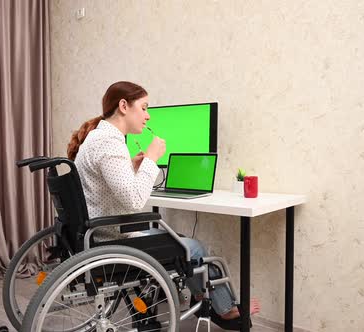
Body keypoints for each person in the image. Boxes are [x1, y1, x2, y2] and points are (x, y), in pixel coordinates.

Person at [67, 81, 259, 321]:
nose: (148, 116)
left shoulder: (97, 138)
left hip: (97, 235)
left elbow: (106, 187)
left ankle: (203, 300)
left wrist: (132, 166)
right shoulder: (110, 143)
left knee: (175, 238)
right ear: (124, 106)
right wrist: (151, 158)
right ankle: (223, 310)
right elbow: (135, 200)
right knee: (194, 247)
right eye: (145, 108)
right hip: (111, 241)